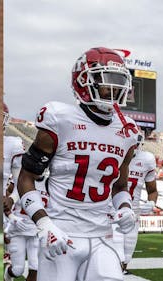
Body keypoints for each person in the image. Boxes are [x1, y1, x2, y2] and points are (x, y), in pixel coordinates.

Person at [17, 47, 139, 281]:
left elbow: (120, 187)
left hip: (103, 236)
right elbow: (26, 178)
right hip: (62, 232)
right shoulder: (60, 118)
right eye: (106, 80)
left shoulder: (127, 131)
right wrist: (44, 224)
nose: (114, 88)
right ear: (84, 81)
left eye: (118, 81)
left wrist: (125, 208)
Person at [112, 131, 158, 274]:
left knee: (126, 257)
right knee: (116, 256)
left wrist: (151, 203)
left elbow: (152, 191)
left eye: (135, 144)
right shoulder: (113, 155)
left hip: (133, 215)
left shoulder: (147, 160)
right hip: (113, 213)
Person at [4, 170, 49, 281]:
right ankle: (8, 274)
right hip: (18, 230)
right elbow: (5, 199)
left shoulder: (51, 182)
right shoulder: (19, 179)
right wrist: (11, 217)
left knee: (36, 268)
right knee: (18, 270)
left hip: (36, 232)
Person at [2, 103, 25, 269]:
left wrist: (12, 198)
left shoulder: (12, 144)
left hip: (2, 209)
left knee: (7, 261)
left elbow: (20, 182)